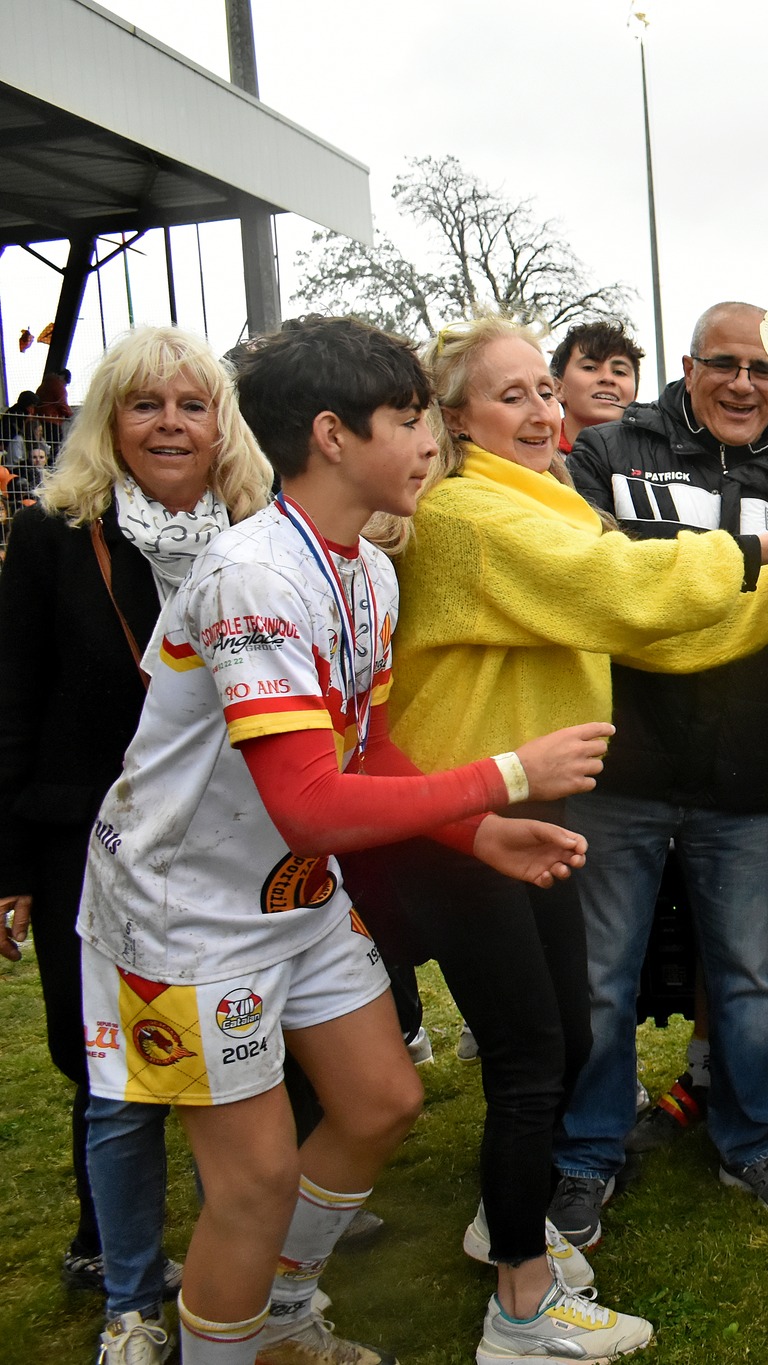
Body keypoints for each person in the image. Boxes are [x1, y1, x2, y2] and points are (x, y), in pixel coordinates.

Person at [73, 313, 605, 1365]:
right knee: (256, 1178)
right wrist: (507, 771)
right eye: (408, 420)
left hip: (293, 895)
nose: (428, 443)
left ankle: (276, 1314)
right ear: (330, 434)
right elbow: (311, 803)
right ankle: (232, 1342)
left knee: (380, 1099)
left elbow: (363, 755)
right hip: (186, 920)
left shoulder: (364, 565)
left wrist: (479, 830)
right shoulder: (255, 578)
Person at [370, 311, 768, 1356]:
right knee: (539, 1053)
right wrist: (765, 547)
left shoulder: (544, 499)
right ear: (454, 418)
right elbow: (617, 591)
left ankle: (513, 1222)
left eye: (544, 389)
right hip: (463, 816)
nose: (542, 411)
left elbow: (649, 629)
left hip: (523, 811)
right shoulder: (470, 516)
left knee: (560, 1039)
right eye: (514, 395)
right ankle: (519, 1304)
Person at [555, 301, 768, 1231]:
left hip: (746, 765)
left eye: (761, 369)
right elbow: (591, 575)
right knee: (601, 977)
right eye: (721, 364)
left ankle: (752, 1139)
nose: (740, 383)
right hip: (624, 761)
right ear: (686, 366)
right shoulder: (611, 450)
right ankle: (586, 1154)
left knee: (744, 979)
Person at [0, 327, 269, 1362]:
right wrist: (11, 866)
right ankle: (115, 1262)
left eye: (192, 405)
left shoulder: (257, 531)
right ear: (109, 421)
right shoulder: (58, 534)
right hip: (88, 832)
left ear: (222, 423)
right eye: (145, 404)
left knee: (237, 1042)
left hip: (232, 834)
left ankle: (230, 1242)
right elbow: (12, 699)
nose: (170, 424)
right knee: (102, 1057)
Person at [549, 321, 643, 451]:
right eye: (590, 368)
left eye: (619, 372)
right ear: (557, 388)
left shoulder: (658, 457)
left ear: (635, 394)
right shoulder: (530, 457)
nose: (607, 378)